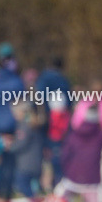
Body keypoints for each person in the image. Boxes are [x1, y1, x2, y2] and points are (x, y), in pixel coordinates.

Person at [0, 43, 25, 201]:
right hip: (12, 129)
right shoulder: (18, 83)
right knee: (10, 163)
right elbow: (23, 108)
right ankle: (6, 195)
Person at [37, 57, 72, 185]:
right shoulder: (63, 80)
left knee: (45, 155)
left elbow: (39, 96)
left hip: (46, 121)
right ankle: (57, 182)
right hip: (61, 122)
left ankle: (44, 184)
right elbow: (69, 101)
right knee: (58, 156)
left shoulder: (44, 78)